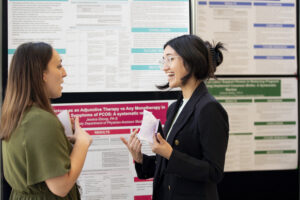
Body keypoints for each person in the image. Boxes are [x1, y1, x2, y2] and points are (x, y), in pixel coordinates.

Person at [121, 34, 229, 200]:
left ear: (191, 60)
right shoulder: (174, 107)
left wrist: (171, 154)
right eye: (164, 60)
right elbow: (167, 163)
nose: (165, 67)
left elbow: (213, 172)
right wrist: (141, 158)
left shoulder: (209, 108)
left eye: (170, 59)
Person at [0, 42, 93, 199]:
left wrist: (59, 137)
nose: (64, 73)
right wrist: (82, 143)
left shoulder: (20, 115)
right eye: (58, 66)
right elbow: (61, 187)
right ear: (41, 74)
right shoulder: (41, 122)